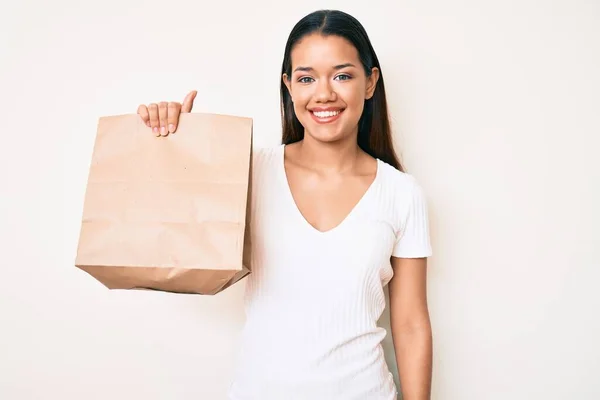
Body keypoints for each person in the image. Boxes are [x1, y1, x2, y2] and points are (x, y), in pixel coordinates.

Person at [137, 9, 433, 400]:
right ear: (289, 86)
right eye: (306, 78)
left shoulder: (401, 192)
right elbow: (174, 248)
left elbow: (411, 324)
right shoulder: (248, 171)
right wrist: (173, 146)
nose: (324, 93)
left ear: (370, 82)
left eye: (342, 75)